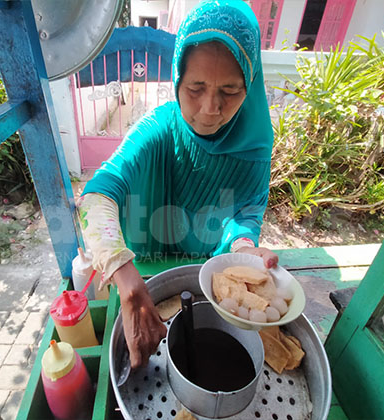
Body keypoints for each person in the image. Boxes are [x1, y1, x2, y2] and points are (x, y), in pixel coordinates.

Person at [77, 0, 279, 368]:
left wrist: (245, 247)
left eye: (230, 91)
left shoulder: (254, 145)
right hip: (144, 270)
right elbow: (94, 198)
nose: (209, 109)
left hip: (208, 283)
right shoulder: (158, 128)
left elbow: (246, 211)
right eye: (196, 88)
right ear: (177, 79)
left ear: (250, 86)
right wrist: (126, 277)